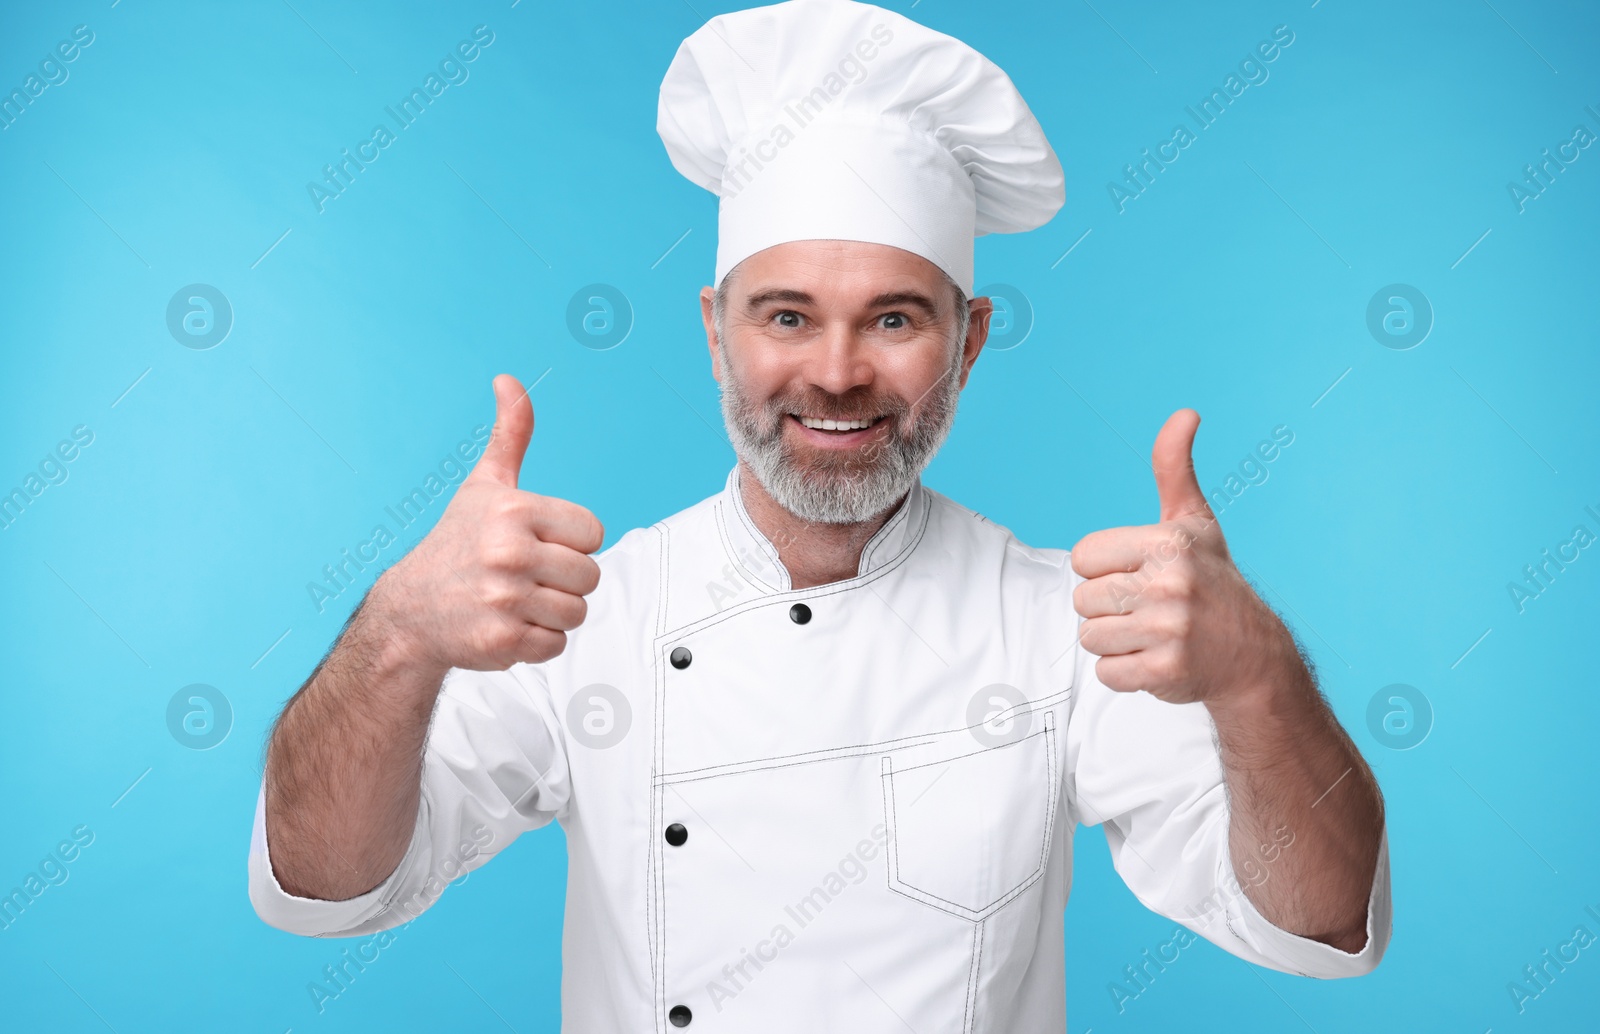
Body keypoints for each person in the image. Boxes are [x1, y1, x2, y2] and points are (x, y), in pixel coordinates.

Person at [249, 1, 1391, 1029]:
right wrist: (394, 633)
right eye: (786, 316)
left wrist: (1257, 676)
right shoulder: (585, 613)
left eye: (893, 319)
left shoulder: (1061, 627)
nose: (836, 373)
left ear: (970, 339)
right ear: (713, 329)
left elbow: (1318, 924)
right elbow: (326, 891)